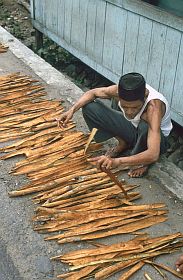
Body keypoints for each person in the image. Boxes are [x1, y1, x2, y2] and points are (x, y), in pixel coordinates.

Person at [58, 72, 172, 177]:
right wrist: (72, 110)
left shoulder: (154, 107)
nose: (129, 112)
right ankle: (123, 143)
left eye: (135, 107)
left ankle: (143, 162)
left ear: (144, 98)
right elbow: (91, 93)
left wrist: (118, 162)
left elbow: (153, 153)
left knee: (145, 125)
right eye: (125, 106)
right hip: (133, 128)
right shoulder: (116, 91)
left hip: (155, 141)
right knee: (90, 107)